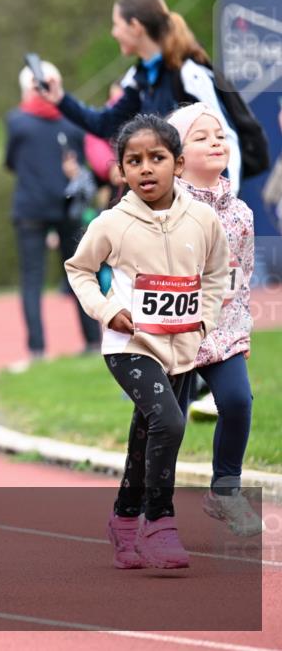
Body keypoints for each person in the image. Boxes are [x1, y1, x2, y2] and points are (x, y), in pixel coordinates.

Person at [65, 114, 229, 569]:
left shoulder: (202, 219)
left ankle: (122, 520)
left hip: (180, 346)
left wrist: (205, 319)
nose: (145, 168)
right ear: (121, 171)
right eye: (133, 161)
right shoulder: (111, 223)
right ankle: (159, 524)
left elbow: (217, 271)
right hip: (129, 345)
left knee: (147, 436)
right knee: (171, 424)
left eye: (156, 158)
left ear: (178, 165)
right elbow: (78, 269)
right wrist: (105, 310)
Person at [166, 103, 262, 536]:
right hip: (173, 333)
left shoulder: (241, 213)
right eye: (201, 137)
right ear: (178, 158)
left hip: (222, 331)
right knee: (169, 422)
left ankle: (225, 491)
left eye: (220, 134)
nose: (216, 142)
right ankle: (150, 502)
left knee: (239, 402)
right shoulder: (164, 210)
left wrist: (238, 329)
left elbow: (240, 277)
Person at [42, 0, 243, 191]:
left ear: (135, 27)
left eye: (116, 25)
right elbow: (106, 124)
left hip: (198, 205)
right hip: (162, 202)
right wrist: (60, 99)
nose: (113, 33)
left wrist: (227, 200)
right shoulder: (140, 79)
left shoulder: (190, 74)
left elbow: (226, 136)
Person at [6, 60, 102, 359]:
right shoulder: (71, 122)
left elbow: (10, 162)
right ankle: (91, 341)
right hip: (66, 208)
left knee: (32, 279)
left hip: (30, 208)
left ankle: (37, 349)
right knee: (79, 275)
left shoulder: (17, 122)